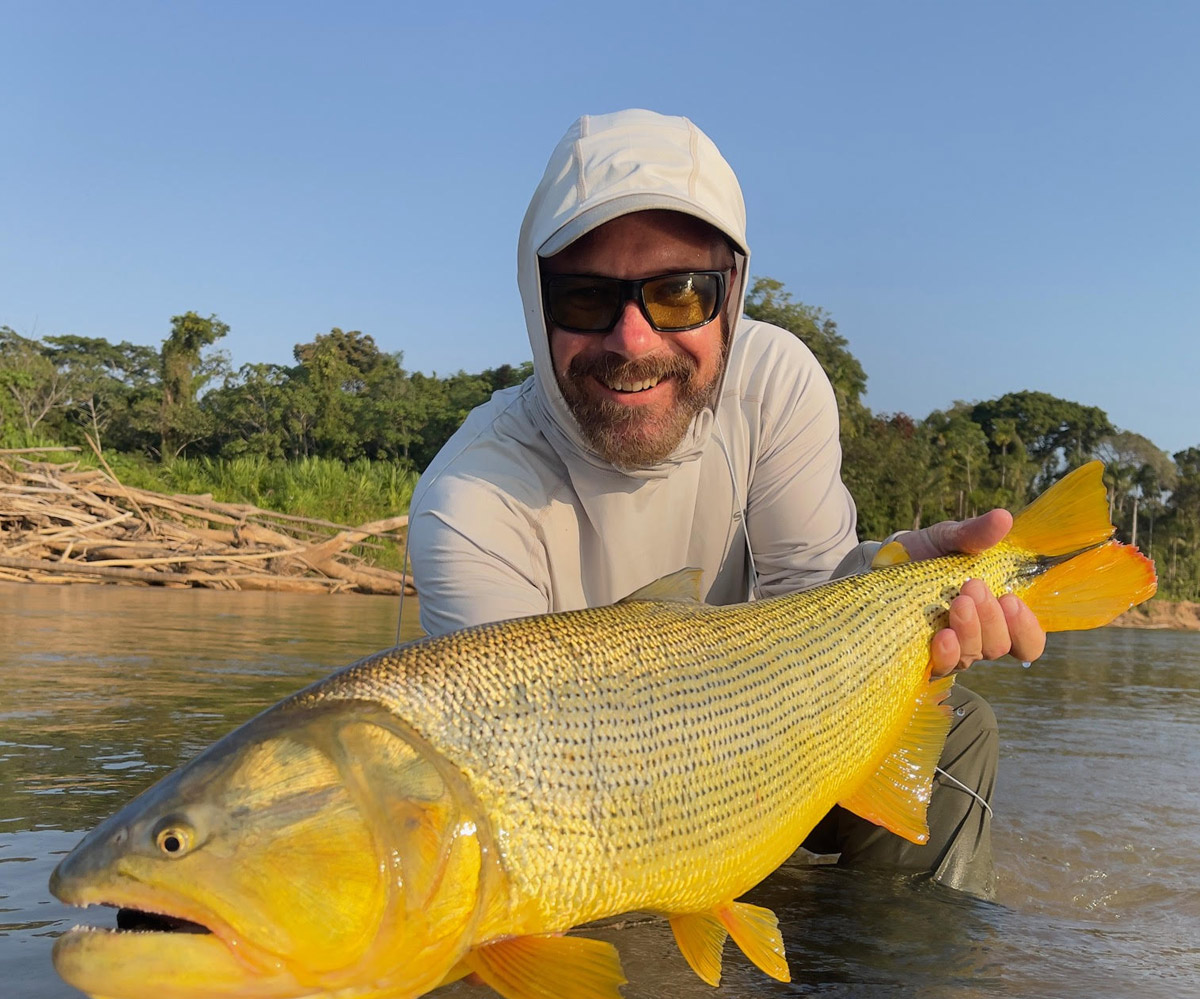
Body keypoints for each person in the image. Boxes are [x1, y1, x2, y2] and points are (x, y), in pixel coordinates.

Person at [407, 109, 1045, 900]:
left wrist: (897, 594)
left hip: (775, 744)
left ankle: (895, 975)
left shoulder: (775, 385)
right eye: (585, 297)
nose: (633, 341)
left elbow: (814, 614)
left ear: (732, 294)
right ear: (537, 305)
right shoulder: (469, 500)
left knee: (957, 728)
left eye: (678, 294)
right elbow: (502, 785)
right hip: (576, 805)